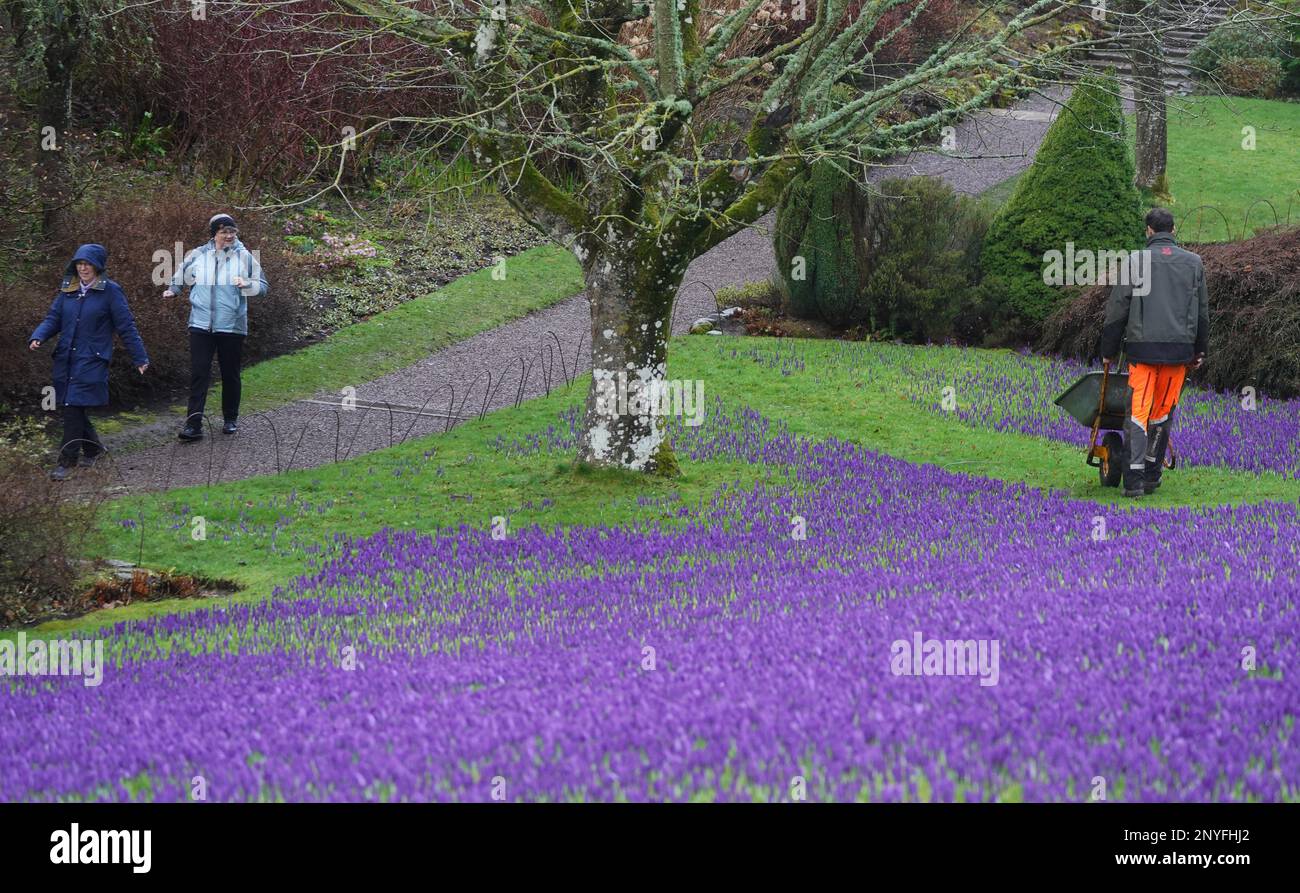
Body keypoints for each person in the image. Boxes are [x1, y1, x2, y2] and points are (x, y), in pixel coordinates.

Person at [1099, 207, 1209, 499]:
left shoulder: (1136, 261)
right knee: (1161, 415)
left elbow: (1117, 310)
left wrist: (1108, 351)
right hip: (1179, 356)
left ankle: (1133, 482)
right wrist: (1199, 351)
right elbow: (1202, 313)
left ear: (1149, 231)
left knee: (1137, 415)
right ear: (1172, 231)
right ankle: (1151, 476)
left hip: (1142, 354)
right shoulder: (1194, 263)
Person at [28, 244, 149, 481]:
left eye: (88, 264)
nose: (83, 268)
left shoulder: (111, 292)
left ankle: (66, 460)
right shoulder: (68, 290)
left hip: (92, 358)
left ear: (97, 267)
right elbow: (54, 318)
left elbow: (126, 326)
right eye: (79, 264)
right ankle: (93, 449)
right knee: (71, 405)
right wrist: (39, 336)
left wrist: (140, 357)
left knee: (73, 405)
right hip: (66, 358)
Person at [163, 213, 267, 440]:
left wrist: (247, 284)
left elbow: (263, 286)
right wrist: (174, 289)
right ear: (214, 234)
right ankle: (193, 425)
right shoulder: (199, 254)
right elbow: (182, 274)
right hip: (200, 323)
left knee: (230, 373)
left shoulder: (245, 257)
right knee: (199, 372)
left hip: (231, 325)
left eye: (232, 231)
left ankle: (230, 418)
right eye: (224, 232)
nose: (229, 236)